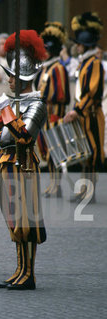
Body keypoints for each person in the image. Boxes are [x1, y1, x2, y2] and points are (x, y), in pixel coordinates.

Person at [0, 29, 48, 290]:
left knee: (27, 223)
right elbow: (3, 135)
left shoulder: (36, 105)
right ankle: (19, 269)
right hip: (8, 165)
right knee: (14, 221)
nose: (9, 80)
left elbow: (24, 136)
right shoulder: (17, 102)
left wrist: (5, 109)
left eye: (13, 76)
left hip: (24, 165)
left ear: (24, 78)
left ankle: (29, 274)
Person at [63, 12, 104, 203]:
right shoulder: (86, 62)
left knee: (93, 152)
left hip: (92, 115)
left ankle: (90, 192)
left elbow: (93, 92)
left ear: (84, 46)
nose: (76, 47)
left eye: (78, 44)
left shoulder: (94, 63)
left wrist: (76, 110)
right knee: (85, 152)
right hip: (84, 113)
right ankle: (85, 190)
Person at [34, 22, 70, 198]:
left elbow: (61, 94)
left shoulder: (59, 67)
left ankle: (57, 185)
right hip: (44, 116)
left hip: (54, 115)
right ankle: (53, 184)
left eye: (47, 49)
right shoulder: (46, 67)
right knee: (46, 152)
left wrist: (44, 95)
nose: (45, 52)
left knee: (55, 151)